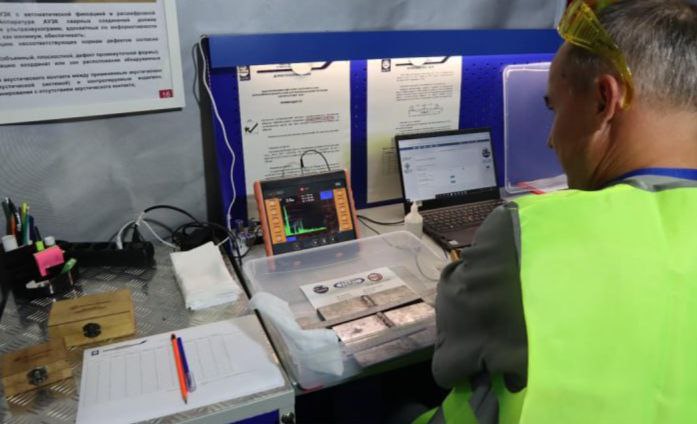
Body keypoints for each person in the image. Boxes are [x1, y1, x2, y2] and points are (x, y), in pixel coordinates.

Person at [415, 0, 697, 423]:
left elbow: (450, 360)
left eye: (554, 108)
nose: (551, 139)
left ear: (604, 100)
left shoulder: (529, 230)